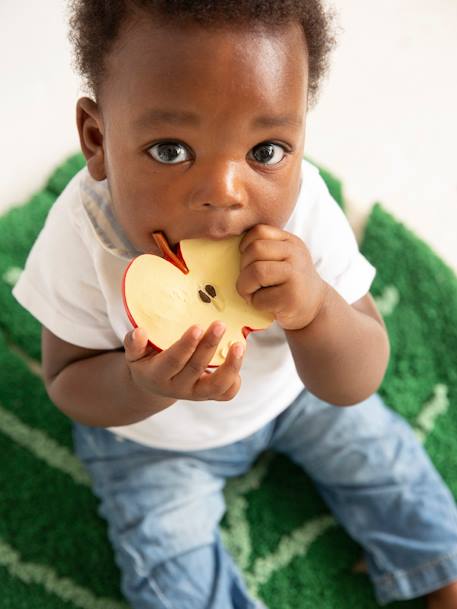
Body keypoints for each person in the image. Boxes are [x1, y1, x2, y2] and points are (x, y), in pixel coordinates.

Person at [13, 1, 457, 607]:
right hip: (152, 445)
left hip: (294, 398)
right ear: (97, 138)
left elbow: (360, 376)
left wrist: (316, 310)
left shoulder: (302, 215)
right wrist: (144, 384)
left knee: (388, 465)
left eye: (266, 152)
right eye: (171, 149)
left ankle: (440, 569)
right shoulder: (85, 235)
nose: (224, 195)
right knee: (170, 572)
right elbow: (67, 380)